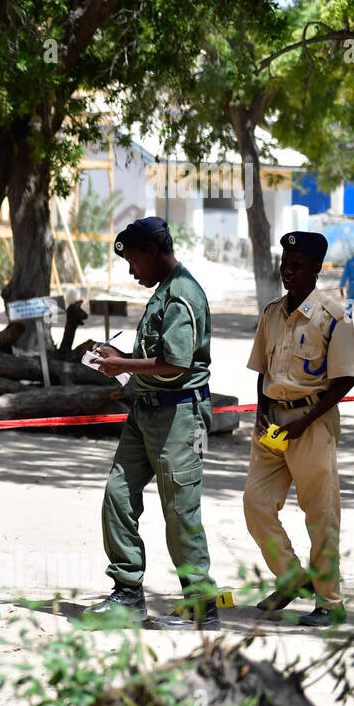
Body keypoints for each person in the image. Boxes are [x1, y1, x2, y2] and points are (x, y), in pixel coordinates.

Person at [86, 217, 219, 630]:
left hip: (180, 415)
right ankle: (127, 594)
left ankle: (201, 605)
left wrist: (121, 364)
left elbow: (176, 364)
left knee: (180, 510)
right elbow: (156, 352)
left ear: (154, 252)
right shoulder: (164, 290)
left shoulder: (181, 294)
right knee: (118, 494)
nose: (131, 270)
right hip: (146, 411)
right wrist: (118, 355)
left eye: (133, 260)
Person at [243, 231, 354, 627]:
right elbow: (263, 370)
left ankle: (330, 601)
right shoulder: (272, 313)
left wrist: (305, 422)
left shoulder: (333, 318)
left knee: (320, 514)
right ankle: (292, 577)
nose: (287, 272)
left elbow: (345, 380)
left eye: (296, 266)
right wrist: (261, 412)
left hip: (311, 424)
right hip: (273, 425)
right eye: (284, 265)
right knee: (255, 503)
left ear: (315, 269)